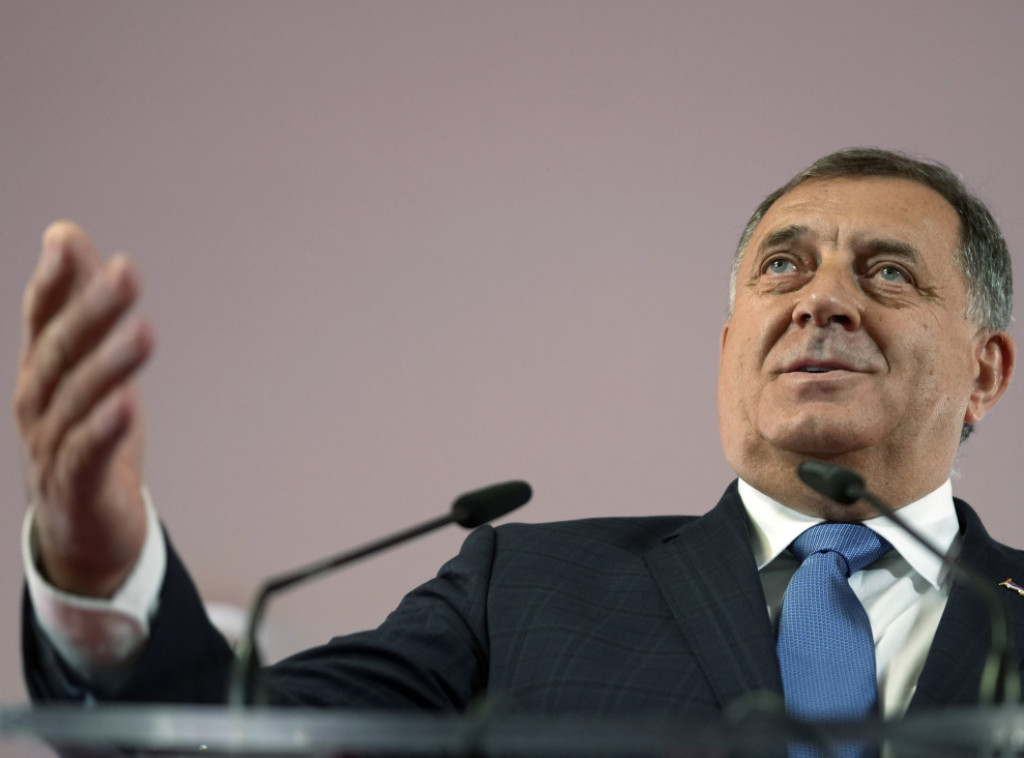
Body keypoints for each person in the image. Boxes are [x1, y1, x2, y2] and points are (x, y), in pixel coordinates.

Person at [17, 148, 1024, 723]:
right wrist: (102, 576)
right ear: (730, 351)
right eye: (782, 268)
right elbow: (234, 735)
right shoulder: (522, 587)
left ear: (986, 369)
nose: (820, 302)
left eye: (887, 272)